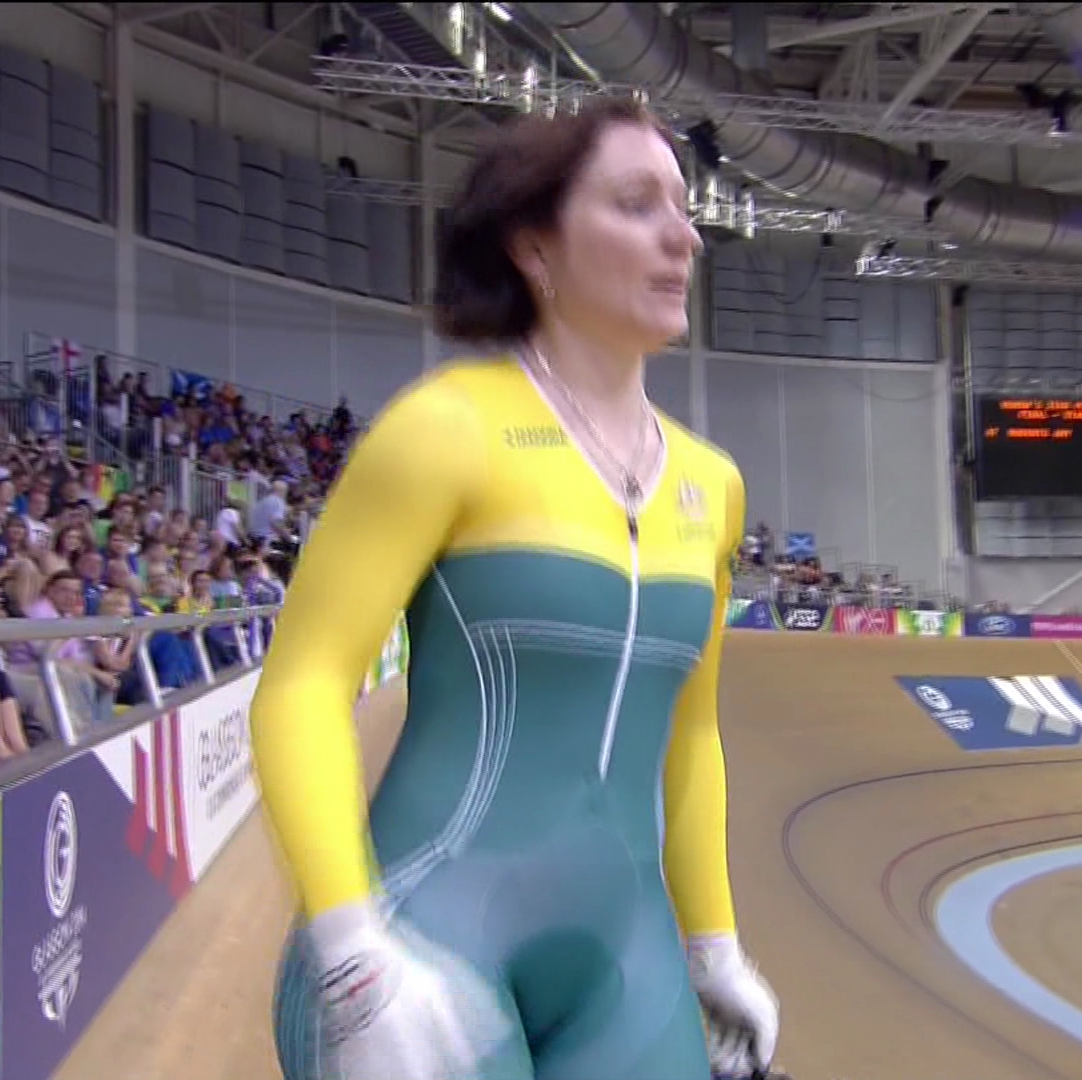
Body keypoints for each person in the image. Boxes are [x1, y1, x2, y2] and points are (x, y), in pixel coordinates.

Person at [249, 97, 780, 1080]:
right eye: (637, 204)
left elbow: (692, 733)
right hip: (419, 939)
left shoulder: (714, 485)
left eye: (684, 208)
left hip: (629, 962)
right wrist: (351, 950)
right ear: (535, 247)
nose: (684, 237)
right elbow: (302, 687)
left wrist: (713, 946)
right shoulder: (444, 429)